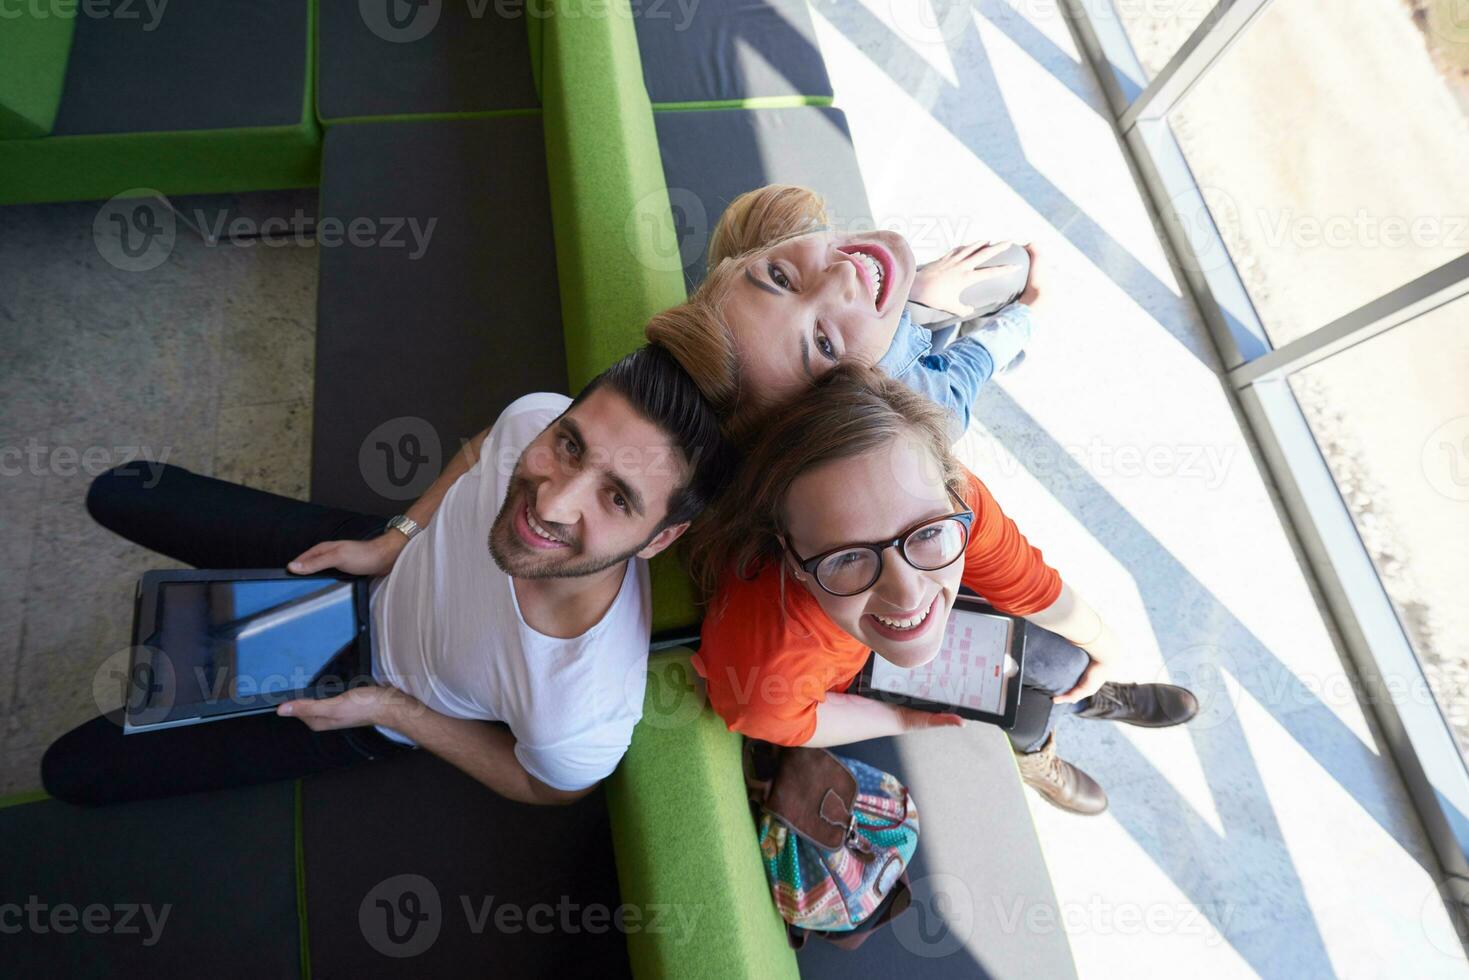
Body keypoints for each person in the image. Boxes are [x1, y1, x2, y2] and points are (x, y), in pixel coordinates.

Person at [42, 345, 735, 807]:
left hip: (369, 694)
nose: (551, 504)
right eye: (569, 443)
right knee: (122, 489)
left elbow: (541, 783)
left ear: (661, 538)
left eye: (617, 499)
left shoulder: (585, 712)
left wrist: (390, 712)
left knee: (72, 772)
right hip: (373, 560)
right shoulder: (533, 419)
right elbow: (477, 450)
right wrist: (394, 538)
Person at [687, 365, 1196, 815]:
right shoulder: (763, 665)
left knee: (1065, 663)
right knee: (1018, 709)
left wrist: (1107, 649)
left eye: (928, 532)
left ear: (952, 489)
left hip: (864, 621)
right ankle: (1035, 753)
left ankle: (1088, 697)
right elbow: (797, 720)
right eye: (847, 557)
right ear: (790, 554)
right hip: (848, 666)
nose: (907, 596)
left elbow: (1031, 585)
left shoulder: (952, 498)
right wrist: (904, 719)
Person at [648, 184, 1040, 444]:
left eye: (781, 278)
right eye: (823, 343)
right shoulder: (915, 398)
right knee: (1013, 266)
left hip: (884, 330)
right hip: (898, 362)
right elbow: (962, 383)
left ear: (750, 257)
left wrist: (912, 295)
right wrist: (1024, 315)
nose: (841, 272)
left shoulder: (757, 304)